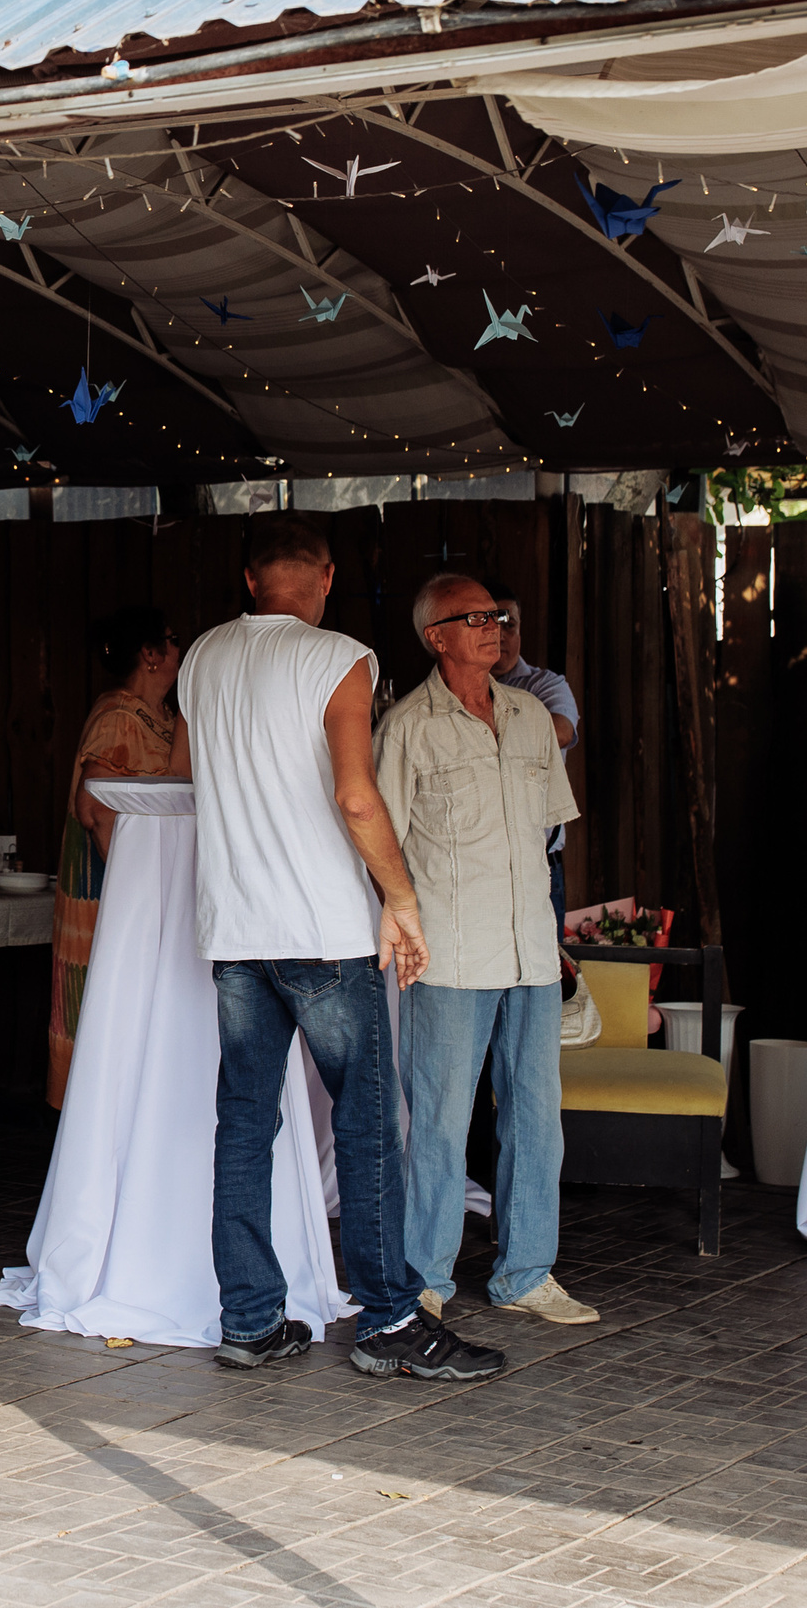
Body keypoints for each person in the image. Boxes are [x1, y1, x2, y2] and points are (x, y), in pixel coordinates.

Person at [175, 512, 503, 1383]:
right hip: (321, 929)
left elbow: (188, 774)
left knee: (244, 1125)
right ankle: (391, 1318)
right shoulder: (339, 657)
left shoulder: (201, 657)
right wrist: (401, 898)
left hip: (237, 929)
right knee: (366, 1127)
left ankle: (250, 1319)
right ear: (323, 578)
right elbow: (357, 797)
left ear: (253, 580)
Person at [380, 576, 595, 1329]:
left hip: (529, 949)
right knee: (439, 1118)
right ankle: (425, 1274)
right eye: (473, 618)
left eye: (496, 615)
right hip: (450, 950)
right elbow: (380, 844)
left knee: (537, 1115)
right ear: (436, 635)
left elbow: (546, 837)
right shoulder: (408, 727)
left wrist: (556, 938)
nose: (493, 626)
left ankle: (526, 1271)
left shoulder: (533, 716)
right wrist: (400, 922)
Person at [48, 607, 183, 1109]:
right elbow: (95, 807)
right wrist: (134, 886)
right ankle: (98, 1115)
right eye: (172, 639)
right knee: (108, 994)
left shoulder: (163, 718)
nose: (178, 649)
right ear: (150, 654)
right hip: (111, 885)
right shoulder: (118, 717)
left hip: (143, 884)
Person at [485, 585, 581, 933]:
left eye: (509, 623)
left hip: (537, 865)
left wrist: (474, 722)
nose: (499, 633)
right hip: (474, 866)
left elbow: (561, 731)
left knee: (542, 980)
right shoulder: (444, 693)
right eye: (489, 621)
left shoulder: (545, 685)